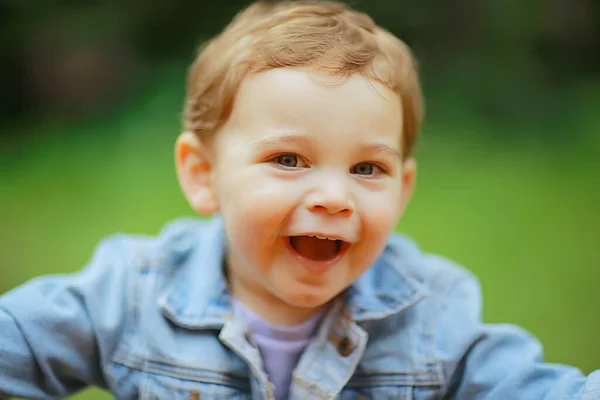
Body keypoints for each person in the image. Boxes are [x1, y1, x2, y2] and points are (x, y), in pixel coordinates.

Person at [1, 1, 598, 399]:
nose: (335, 196)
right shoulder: (131, 294)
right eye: (288, 160)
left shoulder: (432, 316)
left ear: (404, 188)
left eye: (367, 167)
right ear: (203, 174)